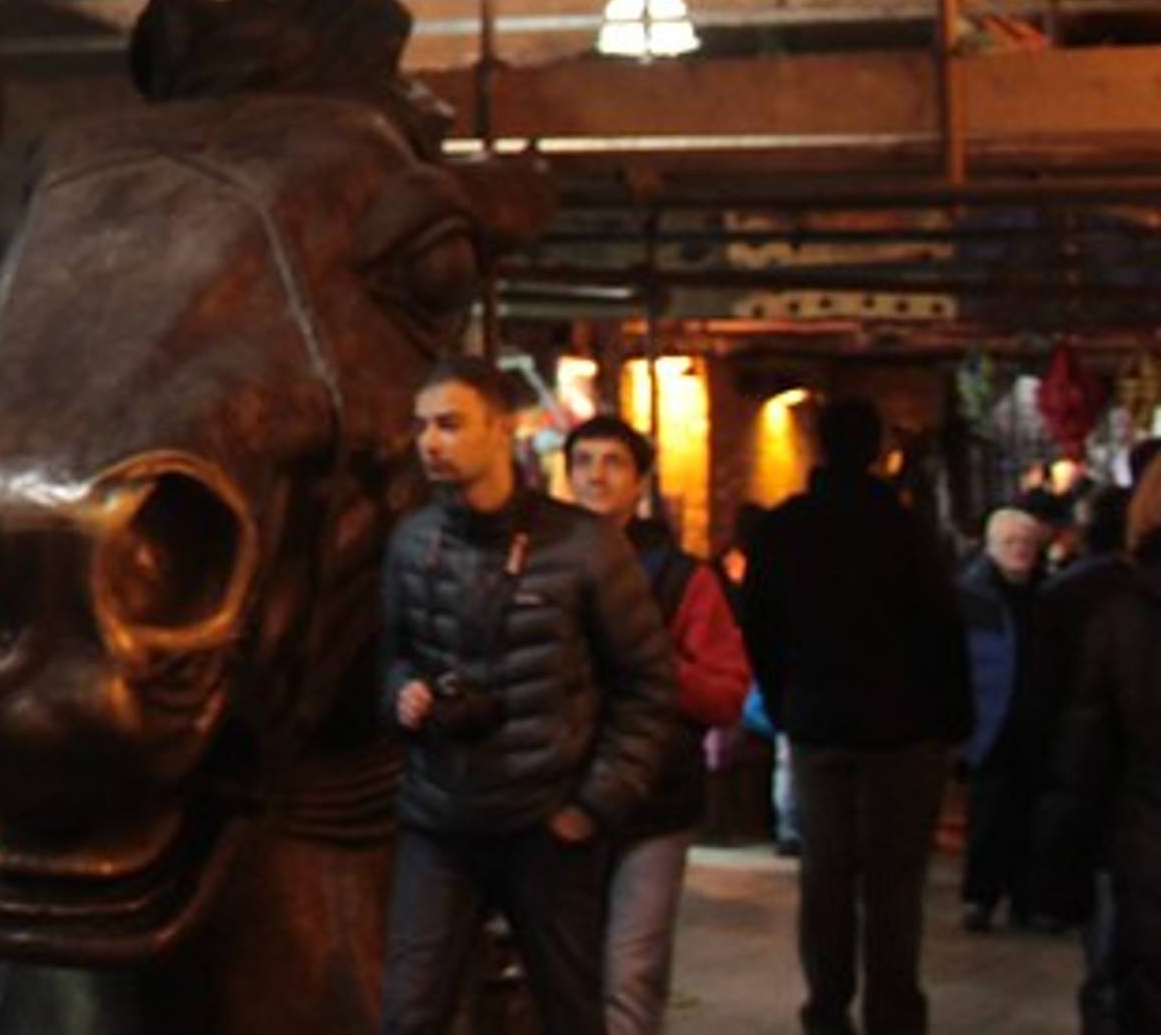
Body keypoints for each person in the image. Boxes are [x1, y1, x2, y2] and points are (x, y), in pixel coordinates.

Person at [377, 360, 680, 1035]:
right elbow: (392, 656)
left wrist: (592, 806)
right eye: (422, 426)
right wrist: (404, 694)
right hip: (440, 817)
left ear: (502, 428)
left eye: (450, 425)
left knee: (569, 1011)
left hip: (545, 823)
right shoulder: (412, 542)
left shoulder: (584, 546)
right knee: (408, 1011)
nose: (430, 442)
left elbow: (648, 687)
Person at [738, 394, 973, 1035]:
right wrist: (955, 721)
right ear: (877, 452)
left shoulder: (785, 530)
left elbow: (757, 625)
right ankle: (894, 1011)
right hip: (902, 729)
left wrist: (784, 697)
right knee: (894, 884)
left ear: (817, 446)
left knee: (826, 876)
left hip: (818, 723)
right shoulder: (906, 531)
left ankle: (826, 1007)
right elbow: (943, 632)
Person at [563, 413, 753, 1035]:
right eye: (584, 462)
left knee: (632, 971)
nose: (596, 475)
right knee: (564, 971)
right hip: (558, 796)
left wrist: (653, 667)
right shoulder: (539, 566)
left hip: (654, 800)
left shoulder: (682, 578)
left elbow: (726, 691)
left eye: (612, 462)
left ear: (640, 481)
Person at [1035, 474, 1161, 1031]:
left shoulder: (1122, 615)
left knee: (1133, 981)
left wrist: (1062, 852)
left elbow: (1085, 747)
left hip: (1142, 830)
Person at [962, 502, 1062, 933]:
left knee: (1033, 817)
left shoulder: (1049, 594)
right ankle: (981, 896)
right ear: (991, 547)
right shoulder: (971, 594)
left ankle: (1028, 899)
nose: (1020, 551)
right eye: (1010, 543)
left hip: (1036, 718)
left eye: (1026, 543)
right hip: (990, 718)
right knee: (989, 815)